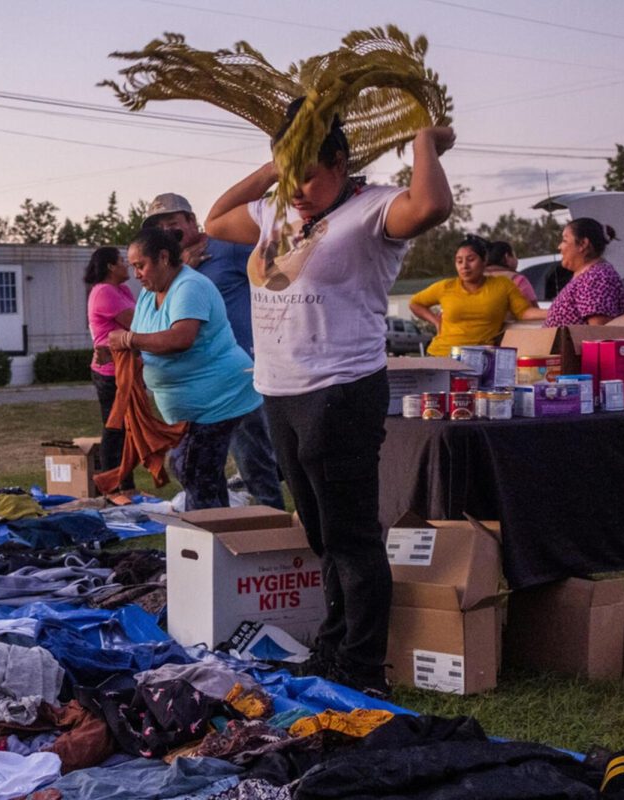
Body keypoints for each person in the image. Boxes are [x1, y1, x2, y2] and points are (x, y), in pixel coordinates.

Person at [203, 108, 456, 697]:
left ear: (342, 165)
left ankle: (364, 667)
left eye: (310, 175)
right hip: (281, 390)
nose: (298, 191)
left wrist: (425, 143)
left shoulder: (373, 209)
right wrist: (277, 166)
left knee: (352, 536)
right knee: (319, 532)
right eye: (291, 178)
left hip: (340, 389)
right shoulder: (277, 209)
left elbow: (433, 207)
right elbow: (215, 219)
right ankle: (335, 646)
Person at [140, 192, 285, 510]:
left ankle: (272, 526)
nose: (167, 232)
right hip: (193, 386)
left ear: (192, 221)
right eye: (159, 227)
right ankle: (218, 531)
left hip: (236, 374)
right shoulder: (167, 268)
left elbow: (275, 270)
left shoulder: (226, 246)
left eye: (173, 223)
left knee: (253, 459)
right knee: (198, 466)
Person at [107, 227, 264, 511]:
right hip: (194, 407)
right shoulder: (148, 294)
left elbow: (181, 338)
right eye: (132, 267)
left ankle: (209, 538)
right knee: (199, 473)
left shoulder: (189, 287)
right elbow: (149, 340)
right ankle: (220, 533)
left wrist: (129, 340)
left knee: (192, 468)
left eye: (140, 266)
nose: (136, 274)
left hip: (219, 398)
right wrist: (118, 353)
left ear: (163, 258)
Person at [409, 235, 543, 356]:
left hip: (481, 358)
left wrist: (556, 311)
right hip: (441, 355)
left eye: (471, 259)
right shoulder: (445, 287)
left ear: (484, 260)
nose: (464, 266)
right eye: (459, 261)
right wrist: (435, 320)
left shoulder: (503, 285)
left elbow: (524, 312)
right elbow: (415, 303)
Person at [84, 246, 136, 490]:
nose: (127, 264)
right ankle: (112, 486)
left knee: (127, 430)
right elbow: (138, 323)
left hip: (125, 369)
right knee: (114, 428)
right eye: (121, 261)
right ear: (110, 267)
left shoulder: (121, 289)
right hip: (110, 373)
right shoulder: (104, 291)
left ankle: (125, 484)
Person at [544, 218, 624, 327]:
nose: (559, 247)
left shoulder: (596, 278)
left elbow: (599, 333)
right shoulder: (590, 275)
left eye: (565, 240)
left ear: (583, 244)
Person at [486, 240, 537, 305]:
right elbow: (534, 310)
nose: (516, 259)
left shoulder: (475, 279)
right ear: (507, 257)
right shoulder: (518, 280)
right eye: (514, 255)